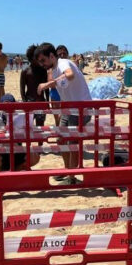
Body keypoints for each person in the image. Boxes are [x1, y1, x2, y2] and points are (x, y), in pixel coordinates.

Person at [36, 42, 92, 180]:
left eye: (43, 60)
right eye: (40, 62)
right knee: (61, 140)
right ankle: (68, 170)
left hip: (80, 109)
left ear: (51, 56)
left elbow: (70, 74)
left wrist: (47, 85)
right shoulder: (54, 69)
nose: (42, 64)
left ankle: (72, 176)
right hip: (68, 109)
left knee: (72, 142)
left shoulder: (63, 63)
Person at [0, 93, 41, 171]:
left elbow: (29, 138)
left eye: (11, 106)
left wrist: (25, 131)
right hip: (1, 150)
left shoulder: (21, 115)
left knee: (35, 157)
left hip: (16, 148)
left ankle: (19, 169)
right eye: (5, 107)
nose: (8, 109)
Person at [19, 44, 49, 128]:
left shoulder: (43, 70)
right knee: (28, 126)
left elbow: (46, 87)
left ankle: (40, 142)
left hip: (41, 102)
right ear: (31, 58)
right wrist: (25, 103)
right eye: (36, 57)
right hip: (29, 101)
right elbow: (22, 89)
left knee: (40, 126)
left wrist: (47, 101)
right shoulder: (25, 71)